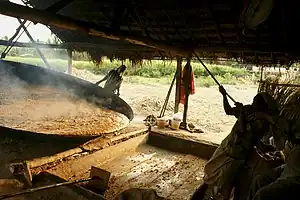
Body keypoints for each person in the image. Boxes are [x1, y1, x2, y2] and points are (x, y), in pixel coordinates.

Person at [203, 86, 278, 200]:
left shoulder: (261, 122)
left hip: (237, 155)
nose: (252, 104)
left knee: (225, 181)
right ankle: (217, 193)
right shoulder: (249, 109)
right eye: (253, 101)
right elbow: (228, 110)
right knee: (212, 169)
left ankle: (221, 196)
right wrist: (224, 95)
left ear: (261, 107)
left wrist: (242, 112)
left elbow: (242, 131)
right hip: (229, 146)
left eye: (255, 103)